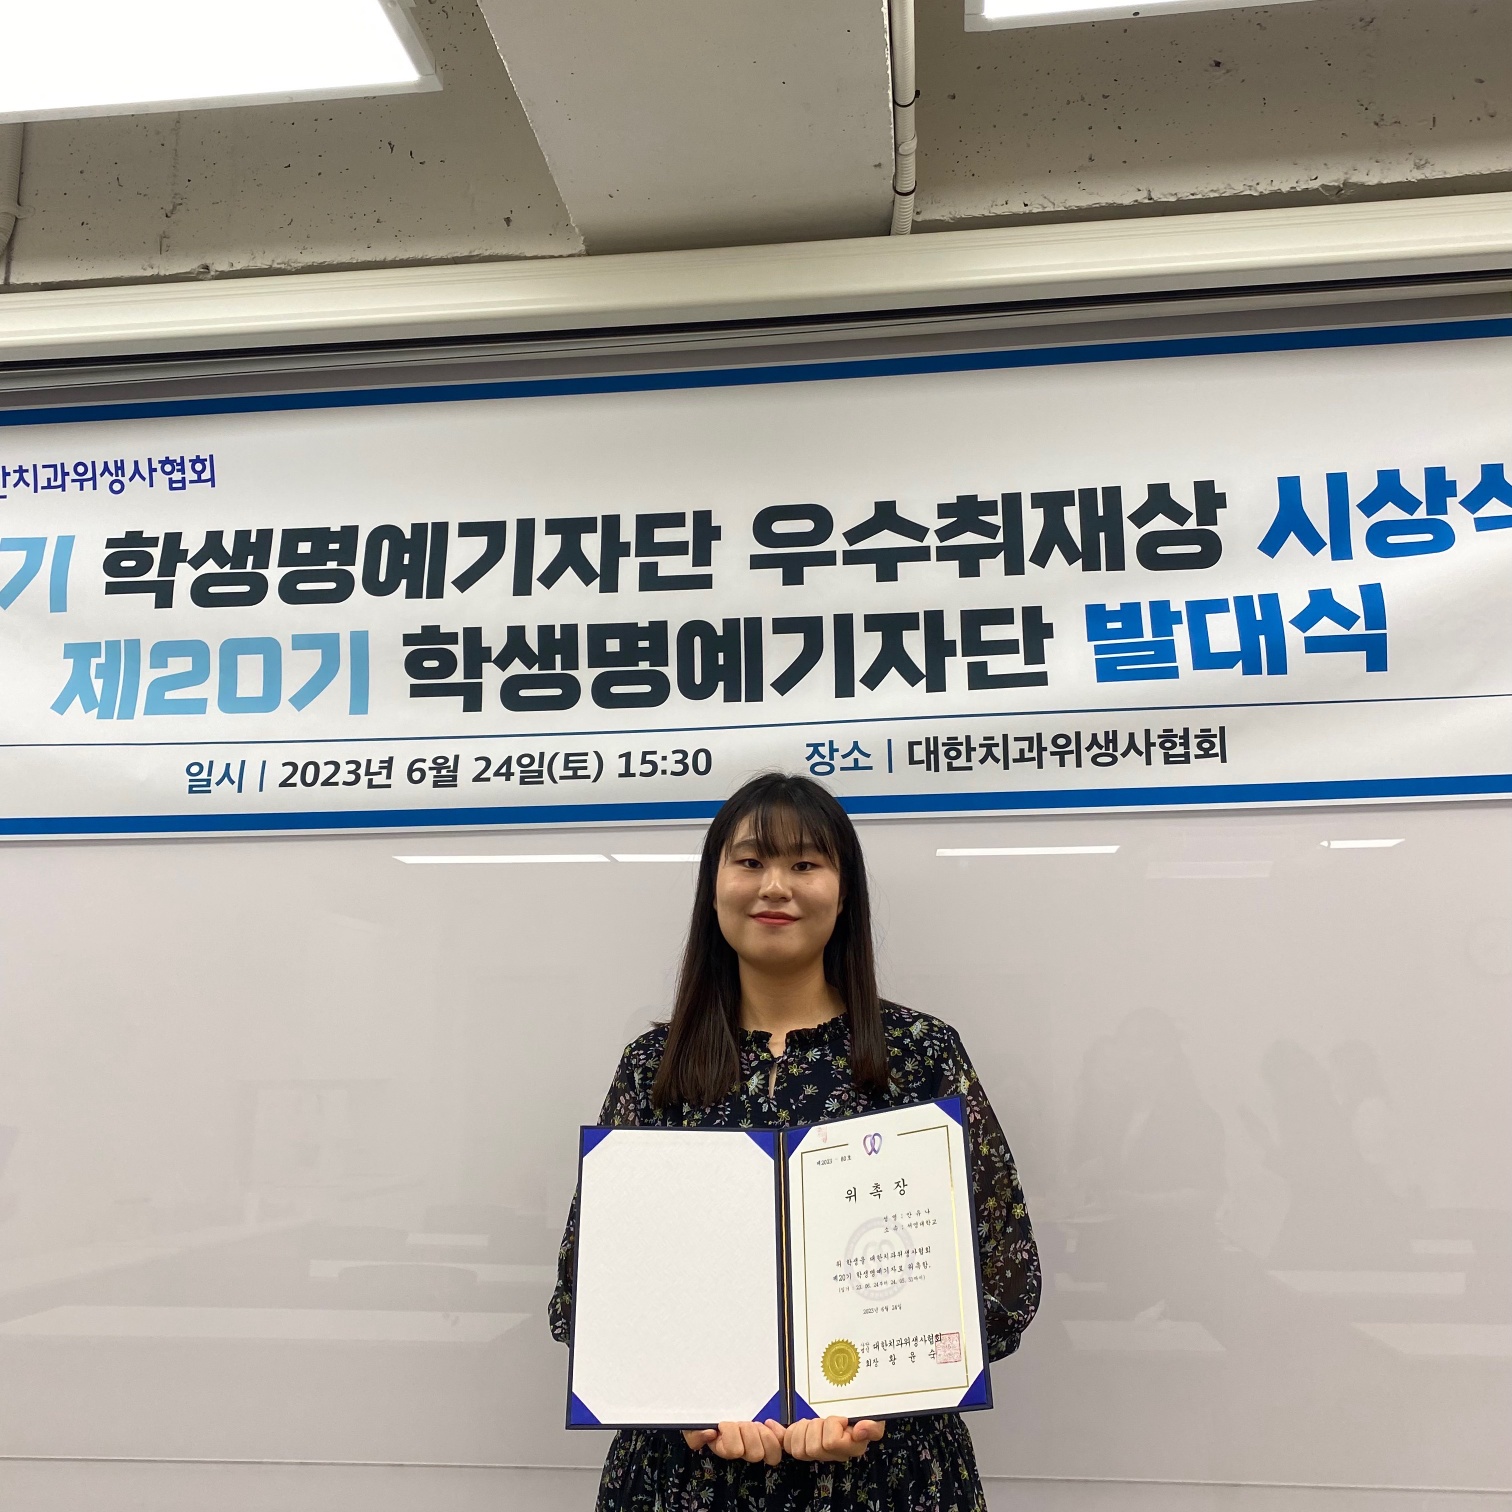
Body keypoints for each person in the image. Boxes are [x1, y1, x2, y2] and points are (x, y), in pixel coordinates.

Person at [549, 772, 1041, 1512]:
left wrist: (879, 1396)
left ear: (844, 895)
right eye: (750, 861)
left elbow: (1005, 1270)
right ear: (714, 889)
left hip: (888, 1476)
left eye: (805, 863)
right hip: (687, 1479)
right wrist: (681, 1400)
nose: (774, 886)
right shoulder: (655, 1069)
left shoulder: (919, 1055)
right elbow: (588, 1286)